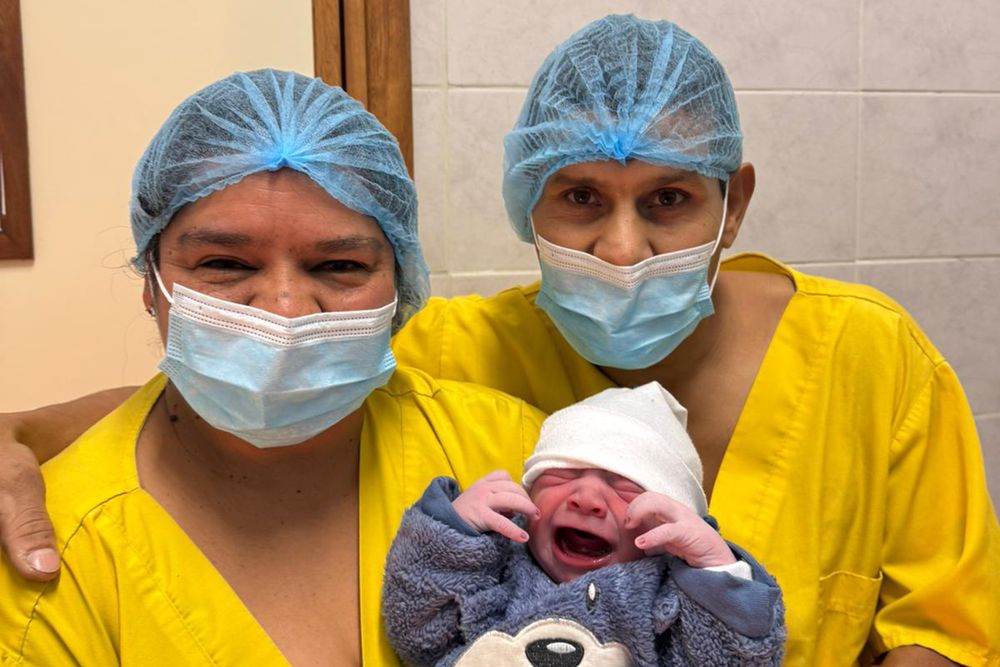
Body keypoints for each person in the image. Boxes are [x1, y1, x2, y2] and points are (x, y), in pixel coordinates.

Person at [2, 14, 999, 666]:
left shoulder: (869, 355)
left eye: (668, 199)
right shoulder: (452, 363)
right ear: (525, 201)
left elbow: (941, 629)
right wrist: (18, 432)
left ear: (732, 202)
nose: (621, 244)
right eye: (578, 198)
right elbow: (248, 395)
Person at [0, 69, 546, 666]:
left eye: (339, 266)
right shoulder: (55, 558)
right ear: (152, 283)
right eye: (225, 263)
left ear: (401, 287)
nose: (284, 310)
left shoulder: (516, 454)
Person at [382, 382, 785, 666]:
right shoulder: (500, 566)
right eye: (562, 475)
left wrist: (717, 573)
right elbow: (416, 635)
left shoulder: (665, 599)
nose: (587, 498)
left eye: (624, 487)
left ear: (668, 529)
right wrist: (453, 536)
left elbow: (733, 660)